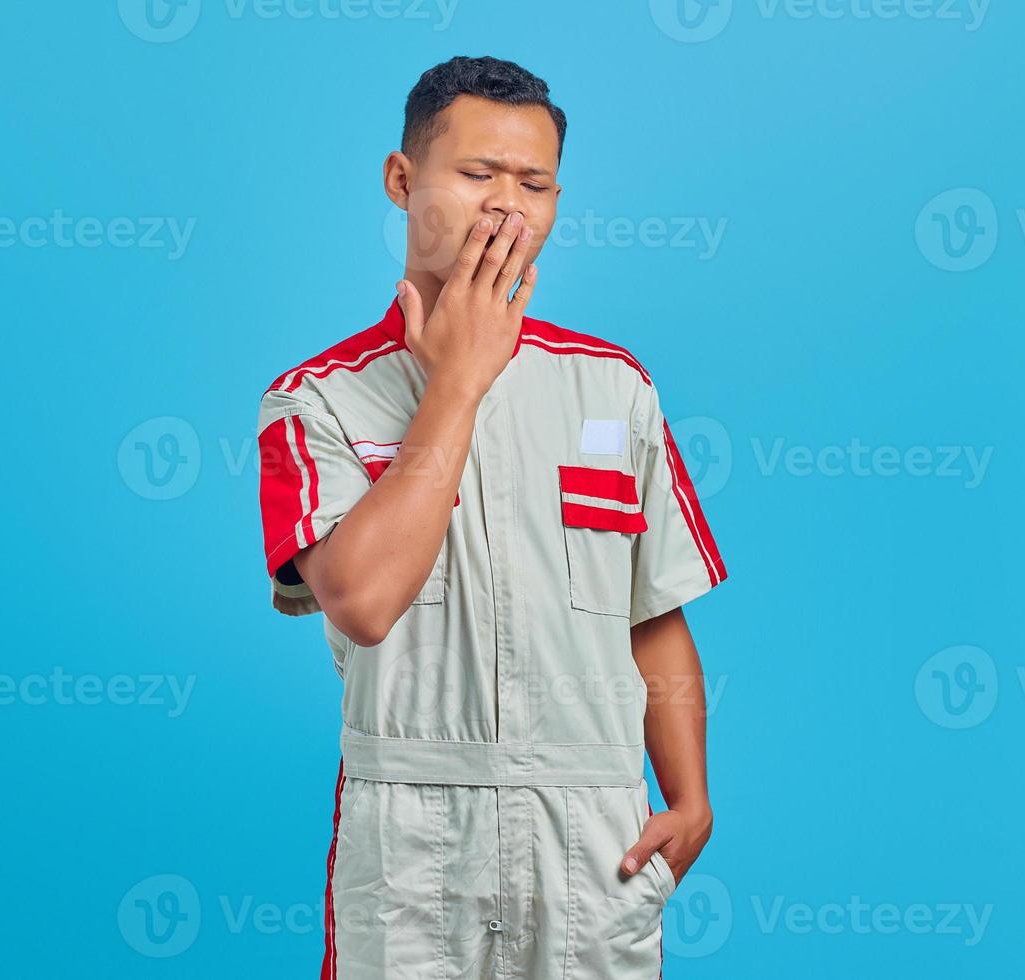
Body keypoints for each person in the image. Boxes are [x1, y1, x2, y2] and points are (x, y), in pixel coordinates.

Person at [256, 54, 728, 979]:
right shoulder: (318, 401)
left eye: (535, 182)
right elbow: (362, 601)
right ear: (402, 181)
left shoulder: (613, 388)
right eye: (477, 175)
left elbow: (655, 611)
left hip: (594, 825)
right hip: (414, 831)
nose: (507, 206)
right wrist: (460, 379)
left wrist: (692, 795)